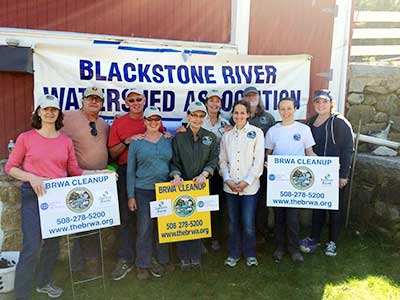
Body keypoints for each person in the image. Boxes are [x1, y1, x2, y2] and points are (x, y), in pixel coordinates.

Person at [5, 95, 109, 300]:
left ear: (59, 114)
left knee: (52, 244)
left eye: (54, 110)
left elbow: (74, 170)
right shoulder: (26, 138)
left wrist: (99, 174)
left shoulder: (65, 141)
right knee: (32, 246)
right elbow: (11, 168)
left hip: (57, 197)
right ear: (39, 113)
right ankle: (21, 294)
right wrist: (32, 177)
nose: (50, 113)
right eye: (46, 109)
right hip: (33, 195)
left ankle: (43, 283)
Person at [108, 88, 165, 280]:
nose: (135, 102)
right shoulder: (119, 122)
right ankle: (126, 258)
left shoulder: (152, 120)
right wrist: (127, 141)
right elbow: (112, 154)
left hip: (152, 176)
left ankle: (151, 257)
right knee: (126, 217)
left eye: (138, 99)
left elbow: (163, 142)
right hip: (126, 172)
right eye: (131, 100)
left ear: (144, 100)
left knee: (153, 221)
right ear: (126, 103)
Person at [299, 89, 353, 257]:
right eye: (317, 102)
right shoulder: (310, 122)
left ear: (331, 103)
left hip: (333, 174)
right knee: (318, 206)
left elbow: (347, 150)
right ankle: (315, 238)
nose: (320, 105)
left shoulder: (339, 123)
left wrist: (343, 174)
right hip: (316, 173)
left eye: (324, 101)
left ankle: (332, 242)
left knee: (335, 208)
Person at [62, 86, 109, 276]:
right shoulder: (67, 117)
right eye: (90, 98)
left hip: (98, 180)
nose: (93, 101)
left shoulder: (104, 124)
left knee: (93, 222)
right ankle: (82, 265)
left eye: (98, 99)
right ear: (82, 100)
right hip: (77, 179)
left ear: (102, 104)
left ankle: (88, 263)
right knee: (81, 223)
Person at [265, 97, 316, 263]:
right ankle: (280, 247)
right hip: (278, 181)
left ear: (295, 109)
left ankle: (294, 249)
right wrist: (267, 163)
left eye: (289, 108)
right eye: (282, 109)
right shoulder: (273, 131)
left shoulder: (303, 129)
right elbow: (268, 154)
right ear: (279, 111)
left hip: (297, 181)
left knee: (293, 217)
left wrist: (326, 166)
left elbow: (310, 153)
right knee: (279, 216)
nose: (286, 112)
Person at [170, 100, 218, 270]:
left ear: (204, 117)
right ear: (188, 116)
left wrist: (205, 174)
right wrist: (176, 175)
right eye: (194, 115)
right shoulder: (179, 138)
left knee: (198, 222)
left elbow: (213, 160)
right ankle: (184, 257)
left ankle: (196, 256)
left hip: (202, 185)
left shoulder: (210, 137)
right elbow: (174, 161)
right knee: (183, 220)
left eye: (201, 116)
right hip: (182, 186)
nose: (197, 119)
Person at [126, 106, 173, 280]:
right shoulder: (136, 142)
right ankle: (143, 264)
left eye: (156, 119)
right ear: (144, 121)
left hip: (164, 190)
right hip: (143, 190)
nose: (153, 123)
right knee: (144, 227)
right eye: (149, 119)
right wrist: (131, 195)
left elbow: (174, 163)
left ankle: (163, 259)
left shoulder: (168, 140)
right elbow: (130, 170)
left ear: (160, 121)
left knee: (163, 227)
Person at [219, 100, 264, 268]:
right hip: (230, 187)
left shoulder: (257, 133)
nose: (239, 116)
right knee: (232, 223)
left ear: (248, 114)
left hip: (250, 188)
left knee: (248, 223)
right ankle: (234, 253)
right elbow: (222, 161)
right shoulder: (227, 136)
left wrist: (246, 182)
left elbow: (258, 161)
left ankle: (250, 254)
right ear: (232, 115)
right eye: (236, 113)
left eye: (242, 113)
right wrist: (228, 179)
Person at [232, 87, 275, 243]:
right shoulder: (237, 116)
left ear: (258, 97)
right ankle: (242, 234)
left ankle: (260, 234)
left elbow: (272, 140)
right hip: (242, 168)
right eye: (248, 96)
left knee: (261, 203)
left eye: (254, 96)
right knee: (241, 205)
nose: (251, 98)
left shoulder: (268, 117)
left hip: (262, 166)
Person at [202, 89, 231, 251]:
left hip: (219, 171)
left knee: (218, 205)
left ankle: (216, 238)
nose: (214, 104)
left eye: (217, 101)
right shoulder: (200, 120)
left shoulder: (226, 123)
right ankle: (202, 239)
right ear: (206, 103)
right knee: (203, 205)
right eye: (211, 101)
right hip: (202, 171)